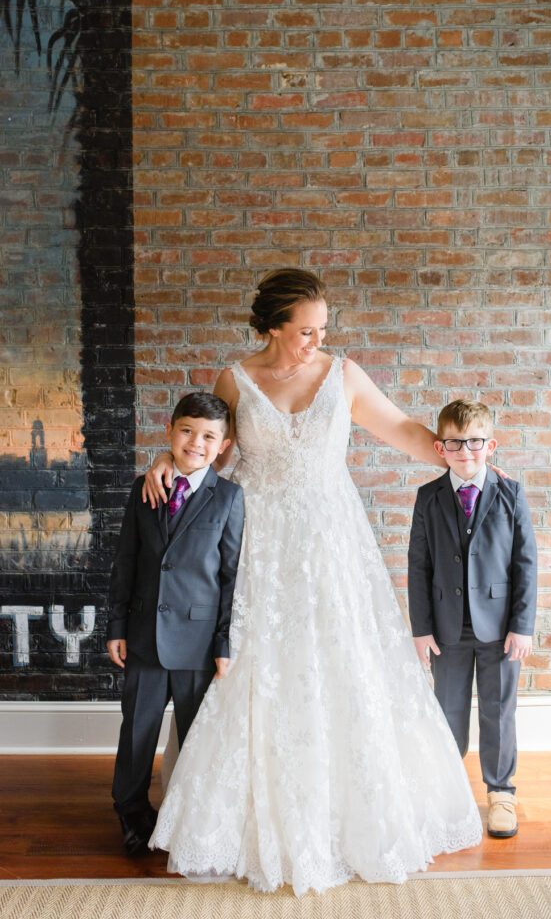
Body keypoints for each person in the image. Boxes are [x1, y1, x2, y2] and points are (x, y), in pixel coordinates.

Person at [143, 268, 483, 895]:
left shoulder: (344, 374)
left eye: (322, 329)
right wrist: (167, 456)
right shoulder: (235, 380)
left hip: (332, 544)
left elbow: (402, 427)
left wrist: (458, 449)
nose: (315, 341)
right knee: (255, 667)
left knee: (344, 662)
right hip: (257, 546)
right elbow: (210, 453)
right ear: (272, 327)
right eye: (305, 331)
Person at [106, 392, 245, 856]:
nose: (196, 442)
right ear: (170, 432)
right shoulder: (144, 488)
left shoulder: (229, 498)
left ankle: (193, 816)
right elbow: (126, 561)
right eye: (186, 431)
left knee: (195, 734)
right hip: (144, 636)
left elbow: (231, 576)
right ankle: (130, 811)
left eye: (209, 436)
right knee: (137, 731)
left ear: (223, 445)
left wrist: (224, 641)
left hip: (199, 642)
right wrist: (116, 625)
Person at [408, 399, 537, 840]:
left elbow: (525, 564)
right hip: (447, 629)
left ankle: (501, 792)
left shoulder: (511, 493)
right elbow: (418, 566)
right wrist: (420, 629)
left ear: (490, 444)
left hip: (501, 628)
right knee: (449, 710)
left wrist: (523, 625)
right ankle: (447, 792)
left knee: (500, 710)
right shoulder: (428, 498)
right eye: (456, 444)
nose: (466, 452)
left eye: (475, 443)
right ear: (440, 447)